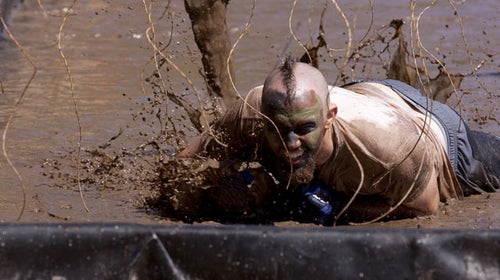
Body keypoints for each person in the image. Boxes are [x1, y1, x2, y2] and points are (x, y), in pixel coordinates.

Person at [179, 56, 499, 225]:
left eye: (304, 129)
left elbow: (423, 207)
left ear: (329, 117)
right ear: (263, 118)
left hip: (442, 139)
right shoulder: (250, 111)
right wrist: (215, 187)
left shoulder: (389, 150)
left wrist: (337, 209)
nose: (290, 142)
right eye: (278, 129)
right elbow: (183, 168)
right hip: (366, 91)